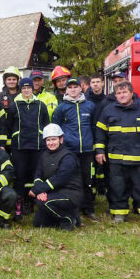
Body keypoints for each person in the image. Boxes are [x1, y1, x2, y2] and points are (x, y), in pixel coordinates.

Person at [94, 81, 140, 226]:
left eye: (124, 92)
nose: (122, 95)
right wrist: (100, 151)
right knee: (117, 187)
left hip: (139, 159)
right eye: (118, 93)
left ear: (132, 93)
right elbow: (100, 131)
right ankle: (119, 214)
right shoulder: (108, 110)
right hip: (116, 159)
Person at [52, 77, 97, 223]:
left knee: (87, 180)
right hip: (69, 151)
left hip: (87, 150)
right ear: (66, 90)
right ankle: (73, 207)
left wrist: (96, 145)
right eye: (70, 87)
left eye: (75, 87)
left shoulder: (90, 106)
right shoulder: (61, 108)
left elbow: (94, 127)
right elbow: (56, 128)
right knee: (72, 180)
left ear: (80, 88)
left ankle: (89, 208)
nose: (73, 89)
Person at [8, 78, 50, 217]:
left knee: (34, 175)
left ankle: (30, 202)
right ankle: (19, 202)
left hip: (37, 146)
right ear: (20, 89)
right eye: (24, 88)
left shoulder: (41, 105)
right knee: (20, 175)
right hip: (19, 146)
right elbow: (9, 124)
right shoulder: (14, 105)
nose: (26, 91)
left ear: (33, 89)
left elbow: (46, 124)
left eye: (29, 88)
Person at [29, 124, 83, 230]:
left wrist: (37, 190)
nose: (51, 143)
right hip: (53, 192)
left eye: (54, 139)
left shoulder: (68, 157)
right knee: (38, 223)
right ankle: (73, 215)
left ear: (61, 139)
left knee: (43, 202)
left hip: (70, 193)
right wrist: (40, 191)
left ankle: (67, 220)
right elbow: (38, 175)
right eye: (48, 140)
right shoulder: (44, 155)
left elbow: (59, 179)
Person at [85, 72, 108, 196]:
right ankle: (92, 188)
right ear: (90, 84)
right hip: (90, 136)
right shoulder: (86, 100)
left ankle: (102, 187)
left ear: (103, 83)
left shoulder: (107, 100)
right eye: (93, 82)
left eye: (98, 82)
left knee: (102, 164)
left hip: (104, 136)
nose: (95, 85)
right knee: (91, 164)